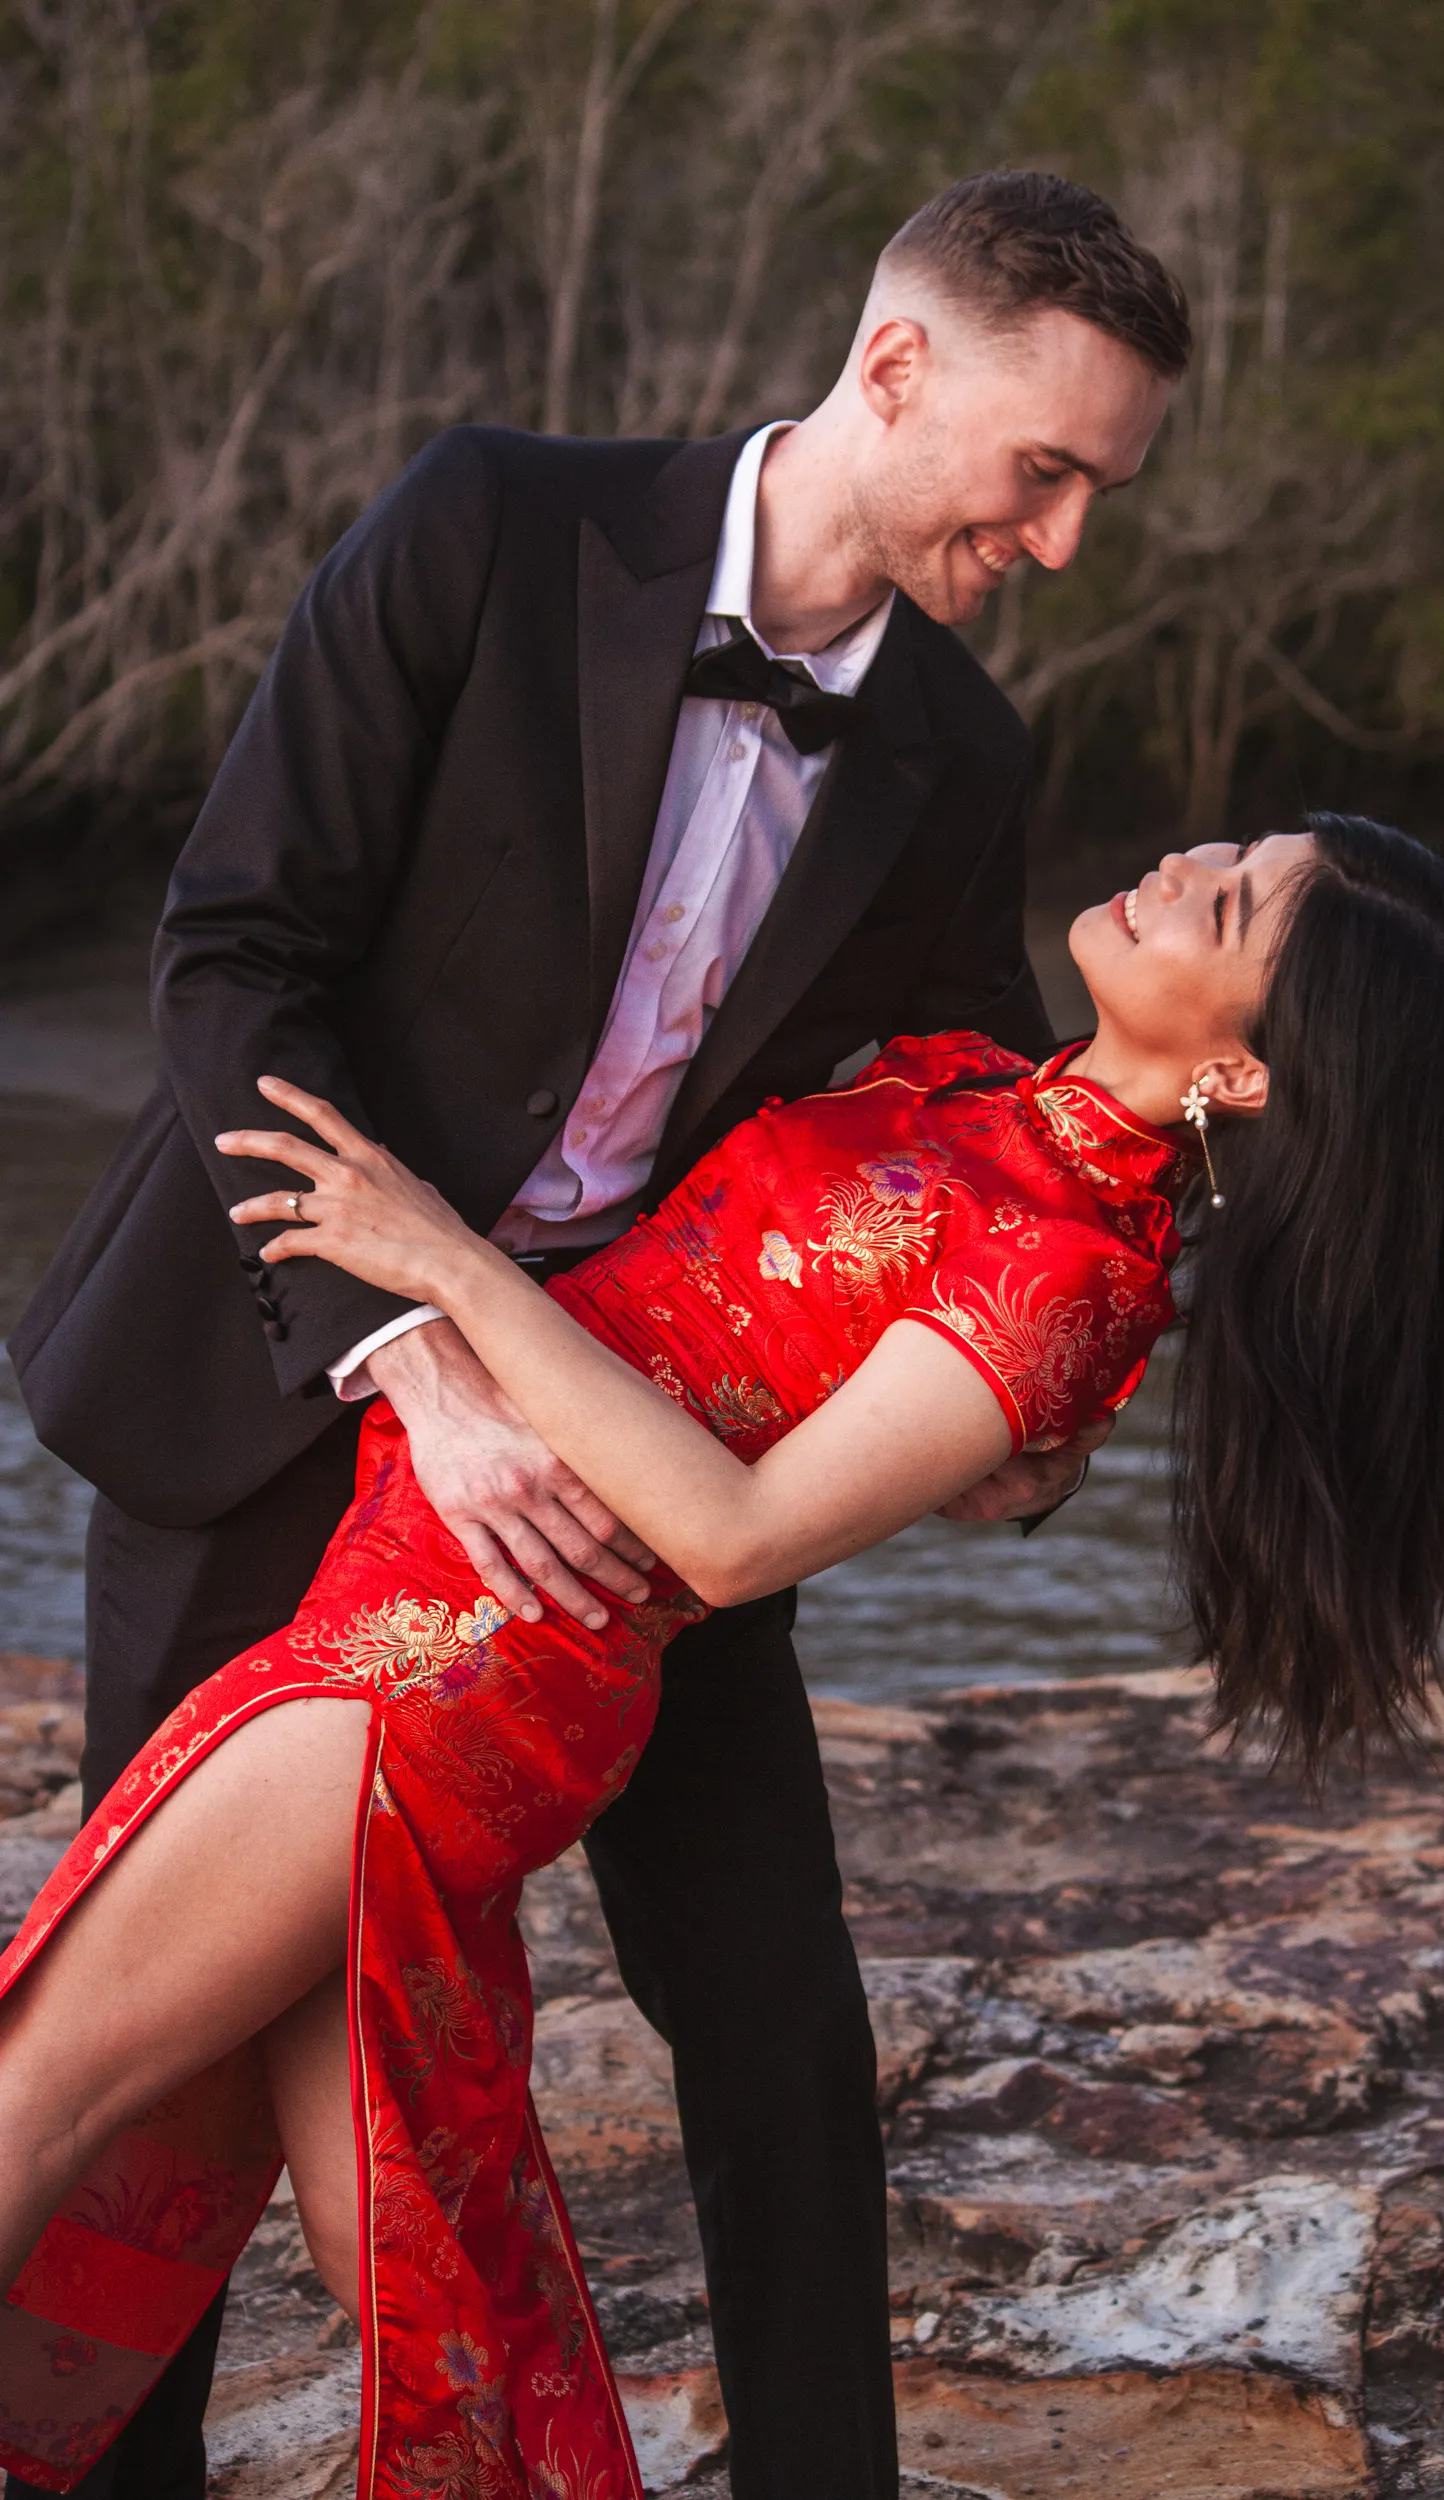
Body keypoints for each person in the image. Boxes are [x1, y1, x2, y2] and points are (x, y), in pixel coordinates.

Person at [4, 174, 1191, 2499]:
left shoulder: (961, 755)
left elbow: (966, 1117)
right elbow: (235, 950)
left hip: (644, 1455)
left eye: (1099, 497)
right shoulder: (490, 524)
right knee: (155, 2033)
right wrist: (408, 1348)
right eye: (1042, 472)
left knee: (776, 2022)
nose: (1060, 541)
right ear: (892, 368)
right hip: (285, 1363)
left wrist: (1040, 1397)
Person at [0, 815, 1444, 2496]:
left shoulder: (1066, 1274)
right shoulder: (971, 1088)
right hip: (407, 1611)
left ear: (1241, 1075)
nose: (1184, 862)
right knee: (400, 2230)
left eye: (1228, 900)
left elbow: (732, 1537)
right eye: (1230, 844)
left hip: (453, 1665)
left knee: (46, 2087)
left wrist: (437, 1263)